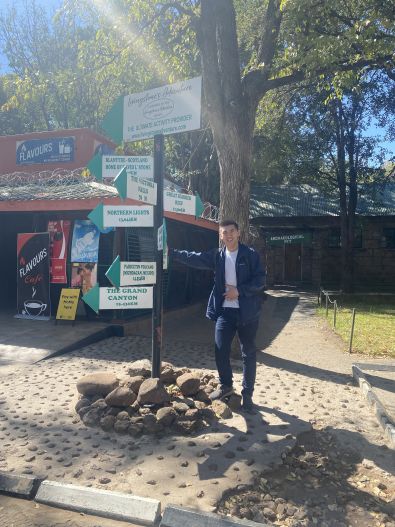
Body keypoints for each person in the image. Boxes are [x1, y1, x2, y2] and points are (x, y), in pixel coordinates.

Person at [170, 219, 265, 411]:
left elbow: (261, 280)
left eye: (231, 231)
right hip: (225, 311)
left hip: (247, 312)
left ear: (238, 233)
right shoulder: (217, 256)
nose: (228, 235)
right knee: (220, 349)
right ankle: (226, 386)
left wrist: (239, 291)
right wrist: (171, 253)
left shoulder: (250, 255)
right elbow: (194, 258)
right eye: (224, 232)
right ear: (220, 236)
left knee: (248, 353)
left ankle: (247, 395)